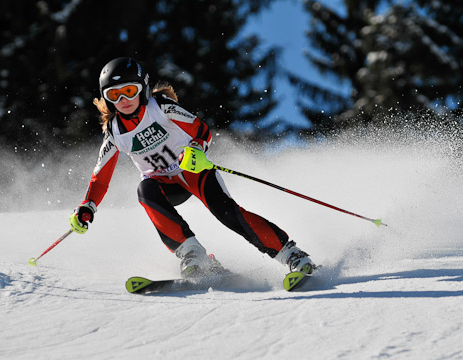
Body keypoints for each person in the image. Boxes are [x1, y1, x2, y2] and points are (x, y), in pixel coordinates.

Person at [69, 57, 315, 278]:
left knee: (227, 213)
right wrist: (87, 206)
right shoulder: (114, 133)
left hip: (193, 170)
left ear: (142, 88)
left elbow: (202, 131)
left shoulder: (161, 106)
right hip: (163, 185)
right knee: (144, 190)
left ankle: (291, 254)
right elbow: (100, 178)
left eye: (130, 91)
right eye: (114, 95)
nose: (123, 100)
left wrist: (197, 149)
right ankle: (192, 254)